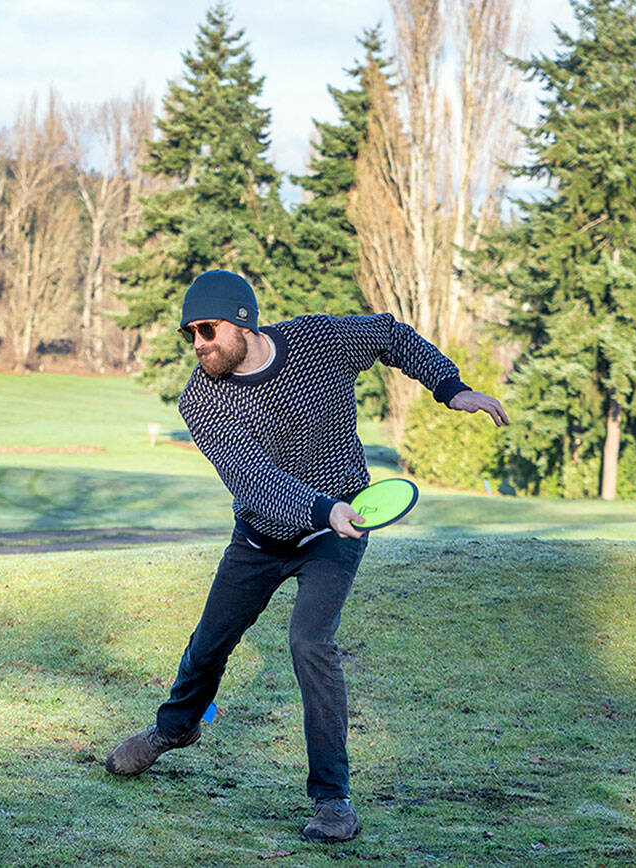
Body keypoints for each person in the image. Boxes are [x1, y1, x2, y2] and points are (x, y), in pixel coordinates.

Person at [104, 270, 508, 843]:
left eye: (207, 329)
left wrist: (447, 386)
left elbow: (390, 336)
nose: (198, 343)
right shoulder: (201, 398)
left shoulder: (318, 341)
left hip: (336, 531)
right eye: (190, 333)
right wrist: (320, 509)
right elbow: (252, 479)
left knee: (310, 643)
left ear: (241, 321)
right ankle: (175, 728)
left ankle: (332, 799)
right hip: (263, 535)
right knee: (210, 642)